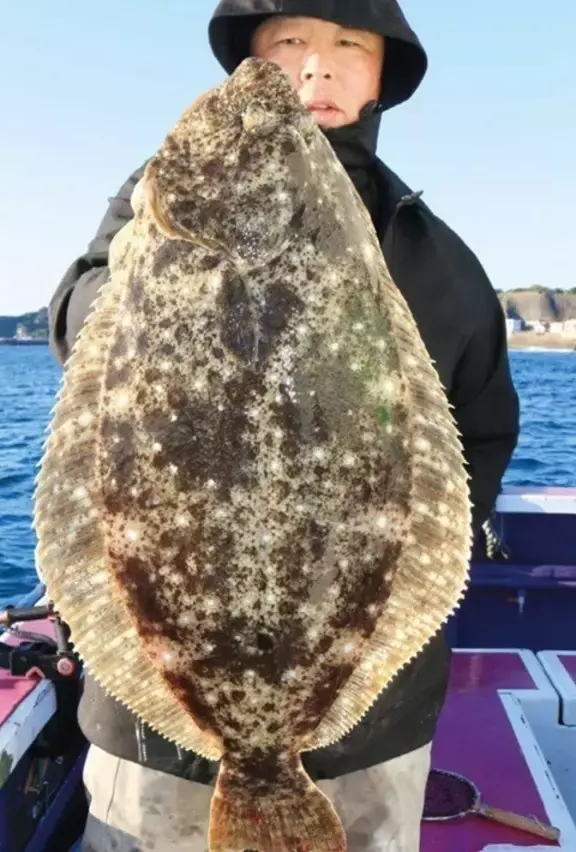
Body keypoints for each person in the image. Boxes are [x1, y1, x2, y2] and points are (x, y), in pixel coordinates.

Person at [48, 1, 520, 850]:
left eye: (348, 46)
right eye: (288, 43)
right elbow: (74, 321)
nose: (315, 68)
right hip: (157, 744)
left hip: (378, 727)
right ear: (247, 60)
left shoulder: (437, 255)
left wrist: (397, 540)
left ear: (384, 74)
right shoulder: (144, 219)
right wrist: (138, 283)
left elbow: (482, 426)